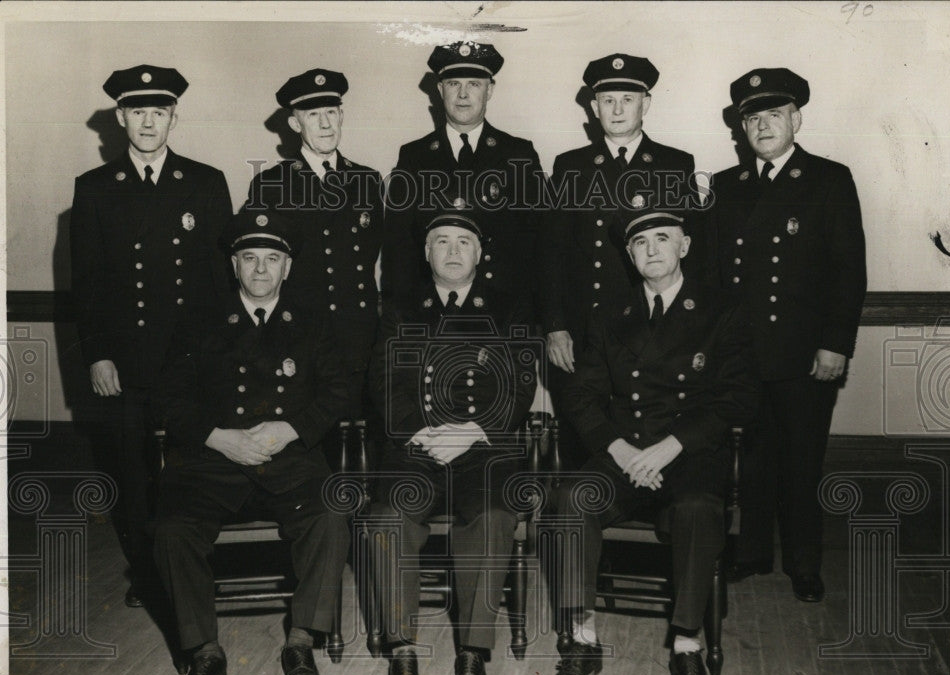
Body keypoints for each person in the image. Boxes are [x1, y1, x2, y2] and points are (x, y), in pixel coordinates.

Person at [545, 200, 756, 675]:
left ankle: (686, 646)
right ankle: (581, 636)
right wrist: (619, 449)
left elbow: (737, 398)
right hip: (623, 453)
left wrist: (670, 447)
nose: (651, 249)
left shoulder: (721, 311)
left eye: (662, 238)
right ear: (629, 255)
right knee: (570, 499)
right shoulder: (611, 315)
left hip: (684, 455)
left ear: (684, 246)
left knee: (698, 511)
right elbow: (581, 397)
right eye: (639, 242)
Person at [151, 210, 351, 675]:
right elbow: (170, 399)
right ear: (233, 265)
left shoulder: (313, 321)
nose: (260, 269)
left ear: (287, 268)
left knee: (330, 515)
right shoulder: (198, 320)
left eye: (272, 259)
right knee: (172, 529)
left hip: (289, 460)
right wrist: (219, 437)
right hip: (214, 462)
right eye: (249, 258)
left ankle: (301, 641)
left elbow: (339, 390)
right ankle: (205, 653)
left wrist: (291, 428)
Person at [70, 65, 233, 608]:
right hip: (128, 362)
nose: (147, 121)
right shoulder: (93, 190)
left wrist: (224, 356)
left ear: (173, 118)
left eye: (157, 111)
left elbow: (222, 280)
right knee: (134, 475)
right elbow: (86, 283)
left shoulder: (205, 183)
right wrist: (97, 355)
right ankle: (148, 573)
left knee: (194, 467)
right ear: (120, 118)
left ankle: (194, 566)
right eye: (136, 111)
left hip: (193, 360)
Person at [365, 210, 537, 675]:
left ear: (480, 254)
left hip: (483, 448)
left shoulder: (509, 307)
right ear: (426, 253)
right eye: (442, 241)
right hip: (415, 448)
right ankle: (401, 650)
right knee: (387, 517)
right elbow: (382, 383)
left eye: (464, 241)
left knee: (494, 516)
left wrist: (471, 431)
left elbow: (521, 384)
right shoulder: (399, 309)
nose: (454, 251)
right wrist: (421, 431)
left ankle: (473, 653)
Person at [708, 68, 867, 602]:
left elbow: (849, 271)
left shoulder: (828, 179)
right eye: (752, 117)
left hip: (805, 354)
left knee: (802, 461)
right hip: (744, 355)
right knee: (751, 459)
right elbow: (715, 278)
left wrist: (836, 343)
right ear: (742, 127)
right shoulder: (727, 187)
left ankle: (804, 564)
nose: (762, 125)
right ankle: (752, 553)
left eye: (774, 114)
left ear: (795, 118)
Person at [540, 53, 699, 469]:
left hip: (647, 333)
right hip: (580, 334)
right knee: (582, 446)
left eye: (626, 99)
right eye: (606, 100)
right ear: (593, 107)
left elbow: (691, 257)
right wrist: (556, 326)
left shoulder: (674, 165)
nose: (616, 109)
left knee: (648, 442)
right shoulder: (570, 166)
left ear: (645, 104)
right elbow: (552, 254)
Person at [246, 68, 383, 419]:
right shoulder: (271, 185)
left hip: (359, 340)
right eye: (312, 115)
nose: (324, 125)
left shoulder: (367, 181)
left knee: (358, 445)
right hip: (302, 339)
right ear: (295, 124)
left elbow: (376, 256)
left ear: (341, 116)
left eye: (331, 113)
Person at [381, 41, 544, 305]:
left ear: (490, 90)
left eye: (474, 84)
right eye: (454, 84)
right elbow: (398, 248)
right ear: (440, 89)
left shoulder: (518, 154)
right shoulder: (413, 157)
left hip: (505, 310)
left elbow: (541, 242)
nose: (463, 94)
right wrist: (398, 321)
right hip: (433, 309)